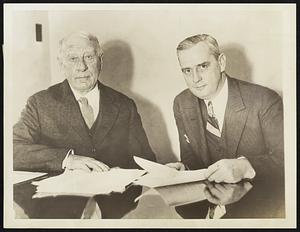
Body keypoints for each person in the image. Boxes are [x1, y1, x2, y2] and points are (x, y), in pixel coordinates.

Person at [13, 31, 156, 218]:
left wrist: (165, 171)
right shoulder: (40, 103)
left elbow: (144, 159)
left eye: (88, 57)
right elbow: (13, 150)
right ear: (61, 64)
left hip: (115, 211)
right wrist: (66, 159)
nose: (81, 67)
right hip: (56, 210)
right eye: (72, 58)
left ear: (100, 60)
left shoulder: (124, 105)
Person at [167, 34, 284, 218]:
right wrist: (185, 171)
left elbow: (288, 161)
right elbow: (192, 158)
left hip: (257, 212)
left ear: (221, 63)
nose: (195, 79)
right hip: (206, 212)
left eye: (203, 66)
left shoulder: (264, 100)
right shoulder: (182, 103)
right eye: (187, 70)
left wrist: (247, 166)